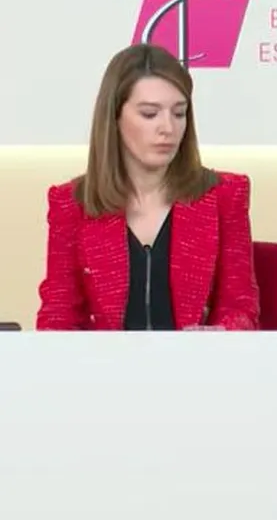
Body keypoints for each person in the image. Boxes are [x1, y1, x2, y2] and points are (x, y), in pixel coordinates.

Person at [35, 44, 260, 331]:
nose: (168, 128)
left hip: (197, 360)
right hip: (103, 361)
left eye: (179, 113)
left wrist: (218, 334)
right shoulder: (71, 204)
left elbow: (241, 309)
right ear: (114, 117)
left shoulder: (224, 196)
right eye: (150, 114)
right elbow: (58, 318)